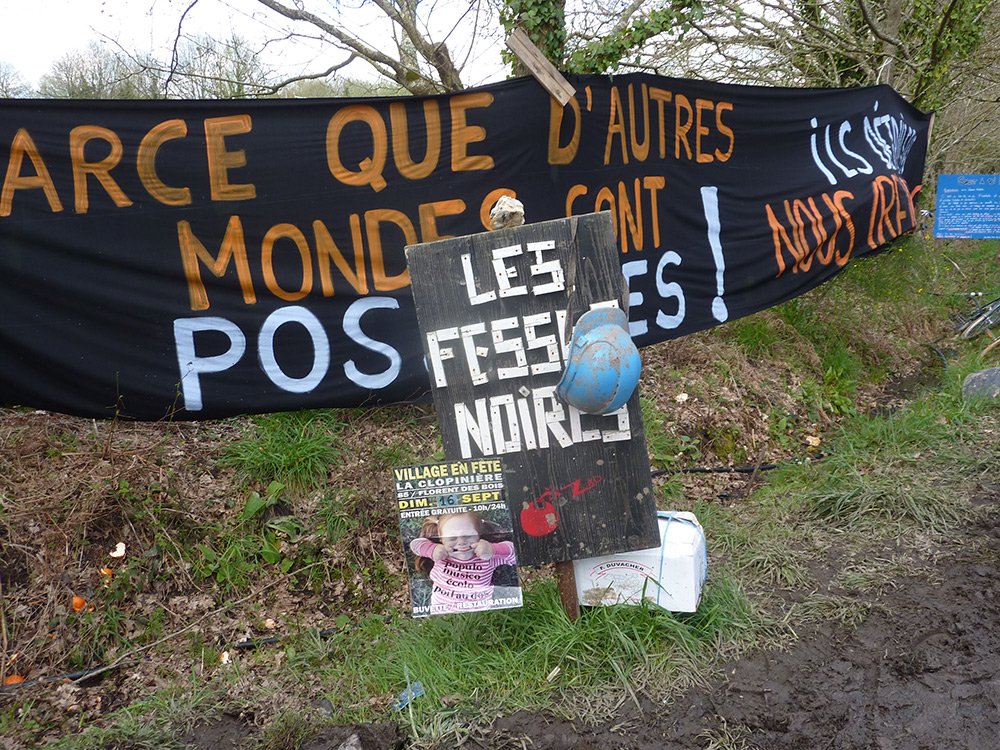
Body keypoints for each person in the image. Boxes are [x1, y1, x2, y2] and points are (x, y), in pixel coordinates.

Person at [410, 512, 517, 614]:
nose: (461, 542)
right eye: (452, 538)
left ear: (479, 535)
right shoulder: (441, 555)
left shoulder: (487, 557)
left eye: (468, 536)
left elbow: (516, 553)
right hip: (442, 614)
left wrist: (494, 549)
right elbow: (415, 544)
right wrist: (432, 549)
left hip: (480, 614)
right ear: (441, 540)